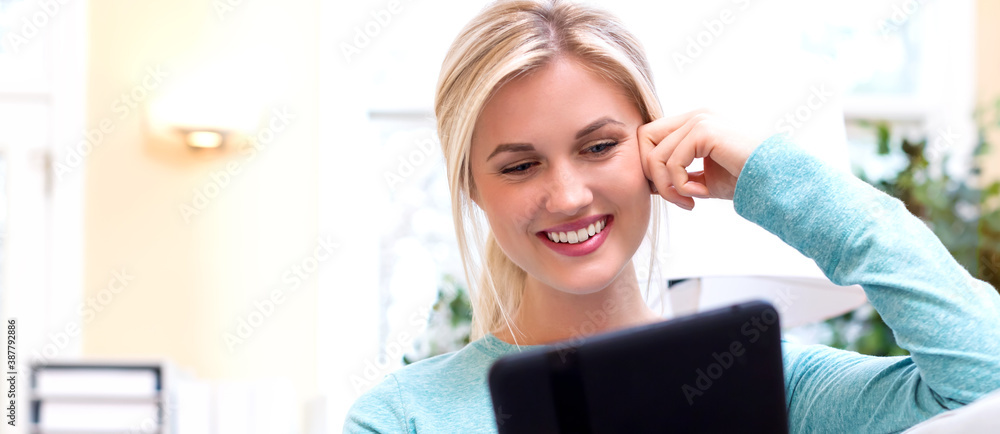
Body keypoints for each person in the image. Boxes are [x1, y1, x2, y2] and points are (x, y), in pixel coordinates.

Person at [344, 0, 1000, 432]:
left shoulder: (773, 385)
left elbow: (984, 382)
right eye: (520, 166)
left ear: (651, 148)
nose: (568, 196)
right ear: (472, 189)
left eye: (599, 146)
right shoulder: (402, 418)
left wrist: (771, 177)